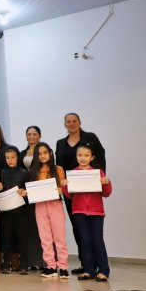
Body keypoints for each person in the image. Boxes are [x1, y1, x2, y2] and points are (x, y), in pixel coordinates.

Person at [55, 112, 106, 275]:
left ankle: (99, 266)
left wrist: (99, 179)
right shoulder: (60, 143)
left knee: (94, 233)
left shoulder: (90, 138)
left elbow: (101, 157)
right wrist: (62, 185)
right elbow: (59, 166)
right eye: (68, 121)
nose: (71, 123)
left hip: (91, 189)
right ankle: (86, 264)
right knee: (78, 228)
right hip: (71, 191)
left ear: (79, 122)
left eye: (74, 121)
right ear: (65, 124)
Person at [63, 145, 113, 282]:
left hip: (96, 212)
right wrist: (65, 185)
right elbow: (69, 195)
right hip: (79, 211)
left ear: (92, 157)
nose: (83, 158)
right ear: (76, 157)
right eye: (80, 155)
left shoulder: (98, 173)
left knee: (97, 240)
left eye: (86, 155)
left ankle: (103, 270)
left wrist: (106, 183)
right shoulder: (72, 173)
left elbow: (106, 193)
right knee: (84, 241)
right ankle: (88, 270)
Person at [28, 142, 69, 279]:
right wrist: (26, 192)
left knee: (59, 237)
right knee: (45, 238)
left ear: (50, 153)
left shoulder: (58, 169)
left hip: (55, 205)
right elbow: (32, 190)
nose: (43, 156)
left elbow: (64, 188)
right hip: (40, 206)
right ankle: (51, 266)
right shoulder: (34, 172)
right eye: (39, 154)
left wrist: (62, 189)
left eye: (45, 152)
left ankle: (63, 266)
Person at [0, 146, 30, 275]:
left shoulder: (24, 172)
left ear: (18, 158)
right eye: (7, 158)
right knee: (6, 238)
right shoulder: (1, 173)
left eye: (13, 157)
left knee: (22, 238)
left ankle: (24, 265)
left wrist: (24, 192)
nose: (10, 160)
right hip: (5, 211)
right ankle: (6, 265)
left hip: (21, 210)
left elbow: (28, 190)